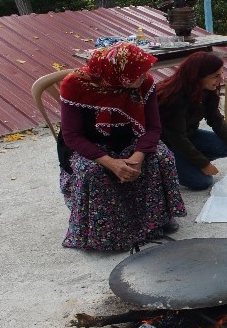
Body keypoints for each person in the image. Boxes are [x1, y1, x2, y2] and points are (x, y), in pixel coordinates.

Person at [57, 42, 187, 252]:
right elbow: (72, 135)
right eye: (137, 74)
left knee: (162, 158)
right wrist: (110, 163)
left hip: (130, 138)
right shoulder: (76, 84)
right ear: (118, 73)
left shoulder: (145, 84)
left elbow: (153, 127)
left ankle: (156, 220)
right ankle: (104, 232)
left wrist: (138, 156)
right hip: (91, 143)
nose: (144, 77)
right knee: (93, 171)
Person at [156, 51, 227, 190]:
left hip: (188, 135)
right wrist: (203, 164)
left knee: (226, 145)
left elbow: (215, 119)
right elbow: (177, 139)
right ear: (196, 77)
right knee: (202, 182)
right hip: (165, 144)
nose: (221, 80)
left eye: (221, 74)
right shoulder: (173, 97)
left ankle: (185, 163)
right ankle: (163, 167)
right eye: (215, 76)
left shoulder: (205, 89)